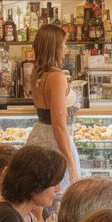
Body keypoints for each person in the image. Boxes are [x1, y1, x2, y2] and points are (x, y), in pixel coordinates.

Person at [27, 23, 81, 191]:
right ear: (55, 46)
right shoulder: (57, 77)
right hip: (55, 145)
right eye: (63, 45)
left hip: (38, 137)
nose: (65, 49)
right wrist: (71, 167)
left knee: (38, 196)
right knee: (59, 195)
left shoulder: (36, 72)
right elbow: (59, 126)